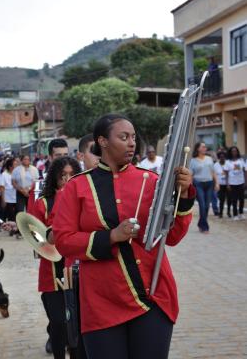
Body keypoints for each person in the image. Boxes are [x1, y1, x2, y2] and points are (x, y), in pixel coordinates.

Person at [53, 113, 195, 359]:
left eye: (133, 137)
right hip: (101, 302)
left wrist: (184, 196)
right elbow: (64, 241)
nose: (132, 142)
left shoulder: (151, 181)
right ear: (103, 141)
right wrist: (111, 236)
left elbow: (171, 237)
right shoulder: (77, 187)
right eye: (123, 137)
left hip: (151, 296)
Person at [32, 157, 81, 359]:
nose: (67, 179)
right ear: (55, 178)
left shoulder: (84, 200)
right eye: (63, 176)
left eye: (72, 175)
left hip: (77, 271)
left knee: (77, 324)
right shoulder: (42, 203)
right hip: (51, 273)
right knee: (59, 323)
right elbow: (35, 237)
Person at [190, 142, 219, 233]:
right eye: (203, 147)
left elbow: (213, 172)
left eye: (205, 147)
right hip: (198, 184)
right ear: (198, 149)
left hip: (209, 184)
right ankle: (205, 227)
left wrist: (217, 183)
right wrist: (189, 186)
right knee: (202, 205)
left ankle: (200, 223)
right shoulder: (193, 161)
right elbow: (191, 175)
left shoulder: (209, 159)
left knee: (206, 206)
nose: (205, 148)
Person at [224, 146, 246, 220]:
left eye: (235, 151)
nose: (234, 152)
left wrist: (245, 181)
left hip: (241, 182)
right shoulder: (227, 162)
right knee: (234, 199)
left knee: (242, 199)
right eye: (233, 151)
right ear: (230, 152)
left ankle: (241, 213)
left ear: (237, 152)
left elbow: (244, 171)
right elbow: (226, 174)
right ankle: (235, 214)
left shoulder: (241, 160)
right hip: (232, 183)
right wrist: (227, 184)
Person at [0, 158, 18, 235]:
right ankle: (11, 230)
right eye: (15, 164)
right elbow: (2, 188)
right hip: (8, 199)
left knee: (17, 215)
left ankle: (16, 229)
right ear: (10, 167)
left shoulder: (17, 173)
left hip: (17, 198)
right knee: (11, 215)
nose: (17, 166)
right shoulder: (4, 174)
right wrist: (3, 200)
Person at [214, 151, 231, 218]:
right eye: (221, 157)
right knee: (221, 199)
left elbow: (231, 174)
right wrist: (215, 184)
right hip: (220, 185)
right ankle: (220, 213)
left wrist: (229, 184)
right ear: (219, 158)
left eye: (223, 157)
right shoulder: (215, 165)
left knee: (229, 199)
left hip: (228, 185)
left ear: (225, 157)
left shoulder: (228, 164)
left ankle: (229, 212)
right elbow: (214, 175)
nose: (222, 158)